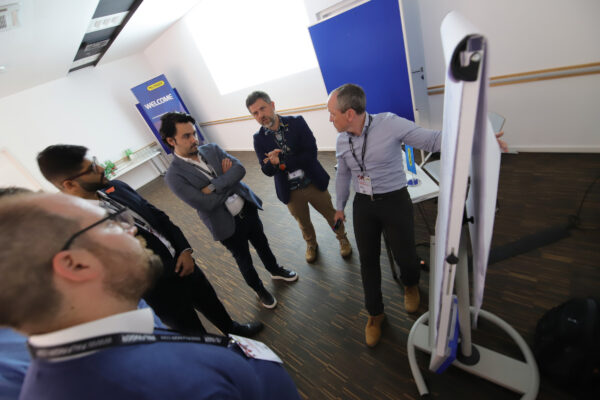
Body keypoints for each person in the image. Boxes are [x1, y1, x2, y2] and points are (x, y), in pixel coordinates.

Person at [0, 192, 301, 400]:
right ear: (75, 263)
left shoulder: (51, 381)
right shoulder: (174, 384)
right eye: (108, 223)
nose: (131, 230)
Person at [36, 145, 262, 337]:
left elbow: (158, 217)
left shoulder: (117, 188)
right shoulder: (73, 230)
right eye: (90, 168)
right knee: (192, 334)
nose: (100, 168)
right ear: (69, 185)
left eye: (94, 161)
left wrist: (184, 250)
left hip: (184, 263)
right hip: (159, 289)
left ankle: (233, 332)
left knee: (213, 305)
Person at [160, 112, 298, 310]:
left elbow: (240, 169)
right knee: (244, 260)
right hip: (225, 225)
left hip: (247, 208)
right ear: (171, 140)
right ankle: (260, 290)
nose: (194, 139)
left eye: (193, 133)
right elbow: (205, 204)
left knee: (263, 244)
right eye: (186, 136)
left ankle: (275, 269)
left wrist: (214, 186)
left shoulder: (212, 149)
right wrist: (228, 179)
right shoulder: (173, 177)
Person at [246, 91, 352, 263]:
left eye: (262, 109)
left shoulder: (297, 123)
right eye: (255, 113)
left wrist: (282, 161)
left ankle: (342, 238)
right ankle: (311, 244)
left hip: (313, 182)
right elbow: (266, 170)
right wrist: (273, 164)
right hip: (290, 191)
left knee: (331, 214)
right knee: (303, 222)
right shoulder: (259, 139)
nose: (260, 115)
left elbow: (310, 153)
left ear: (272, 105)